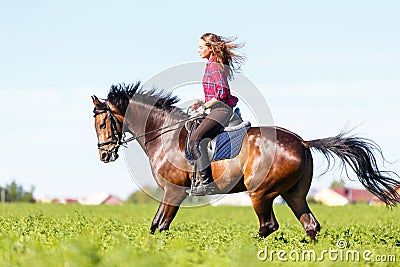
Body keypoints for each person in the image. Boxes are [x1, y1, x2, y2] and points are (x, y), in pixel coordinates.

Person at [188, 33, 245, 196]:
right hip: (216, 109)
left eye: (201, 47)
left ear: (210, 48)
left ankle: (207, 184)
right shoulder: (211, 65)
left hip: (221, 111)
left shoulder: (214, 66)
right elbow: (215, 92)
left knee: (194, 141)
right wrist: (201, 102)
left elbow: (221, 93)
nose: (198, 50)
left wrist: (205, 106)